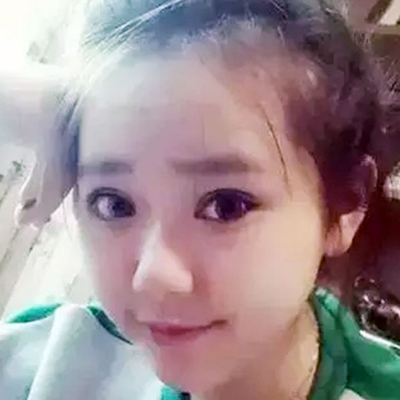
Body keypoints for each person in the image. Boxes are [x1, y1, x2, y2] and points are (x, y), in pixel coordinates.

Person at [1, 0, 400, 399]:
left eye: (226, 206)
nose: (153, 276)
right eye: (114, 204)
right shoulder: (50, 362)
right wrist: (43, 103)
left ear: (346, 204)